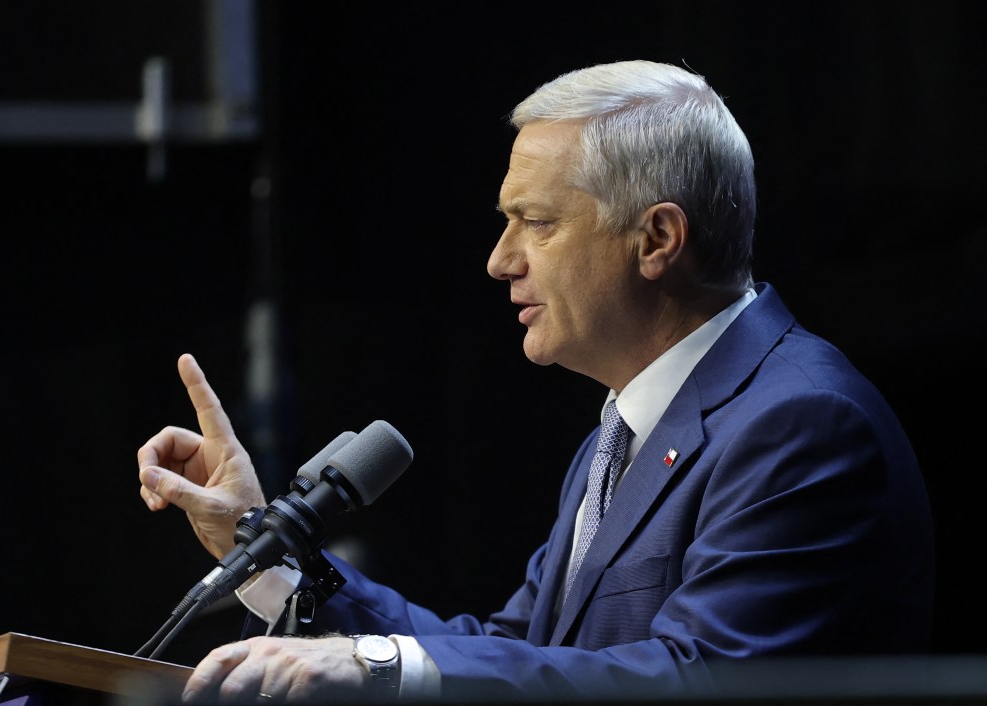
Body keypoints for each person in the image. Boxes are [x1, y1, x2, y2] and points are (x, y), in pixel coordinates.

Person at [137, 59, 935, 703]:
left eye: (537, 222)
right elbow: (518, 657)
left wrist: (380, 665)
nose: (500, 259)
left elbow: (703, 677)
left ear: (656, 238)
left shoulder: (802, 421)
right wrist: (263, 551)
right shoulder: (619, 435)